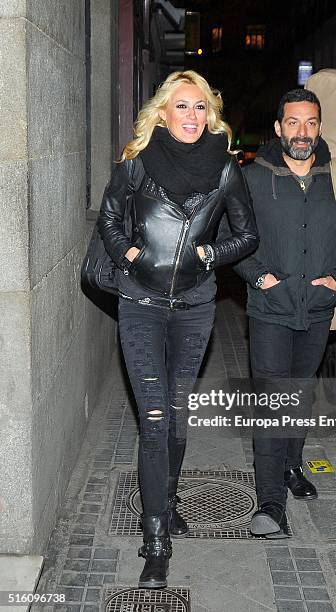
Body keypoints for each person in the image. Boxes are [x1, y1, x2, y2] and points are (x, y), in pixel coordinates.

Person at [97, 70, 258, 587]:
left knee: (179, 414)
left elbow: (247, 235)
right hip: (140, 303)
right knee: (157, 418)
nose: (192, 116)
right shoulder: (136, 165)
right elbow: (109, 218)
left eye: (200, 108)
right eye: (182, 106)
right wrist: (129, 253)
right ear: (162, 113)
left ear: (210, 115)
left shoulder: (225, 170)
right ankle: (155, 539)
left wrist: (212, 253)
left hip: (195, 307)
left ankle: (166, 503)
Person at [234, 88, 336, 538]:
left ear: (319, 127)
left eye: (310, 123)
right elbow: (231, 238)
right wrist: (261, 279)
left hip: (317, 309)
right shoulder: (253, 178)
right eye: (293, 122)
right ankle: (270, 502)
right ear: (278, 128)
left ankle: (292, 465)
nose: (302, 132)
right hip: (270, 308)